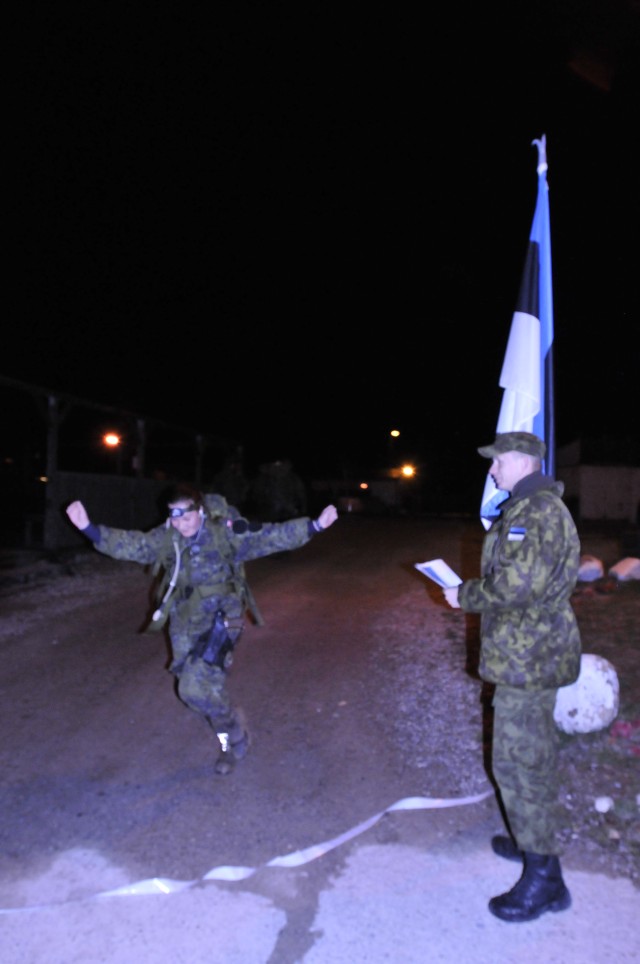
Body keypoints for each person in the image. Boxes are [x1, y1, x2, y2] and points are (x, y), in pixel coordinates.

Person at [66, 483, 338, 776]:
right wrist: (88, 528)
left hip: (222, 619)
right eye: (174, 518)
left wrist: (315, 526)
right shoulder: (170, 535)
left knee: (196, 688)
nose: (180, 525)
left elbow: (272, 537)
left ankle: (231, 738)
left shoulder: (226, 532)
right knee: (194, 695)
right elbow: (136, 545)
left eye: (186, 518)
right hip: (185, 620)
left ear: (201, 512)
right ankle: (228, 724)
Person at [442, 431, 581, 923]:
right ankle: (531, 844)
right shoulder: (527, 509)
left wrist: (466, 595)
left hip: (531, 660)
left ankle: (545, 880)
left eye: (496, 462)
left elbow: (517, 586)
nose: (491, 470)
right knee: (524, 760)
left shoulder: (539, 513)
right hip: (525, 657)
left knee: (519, 765)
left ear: (520, 460)